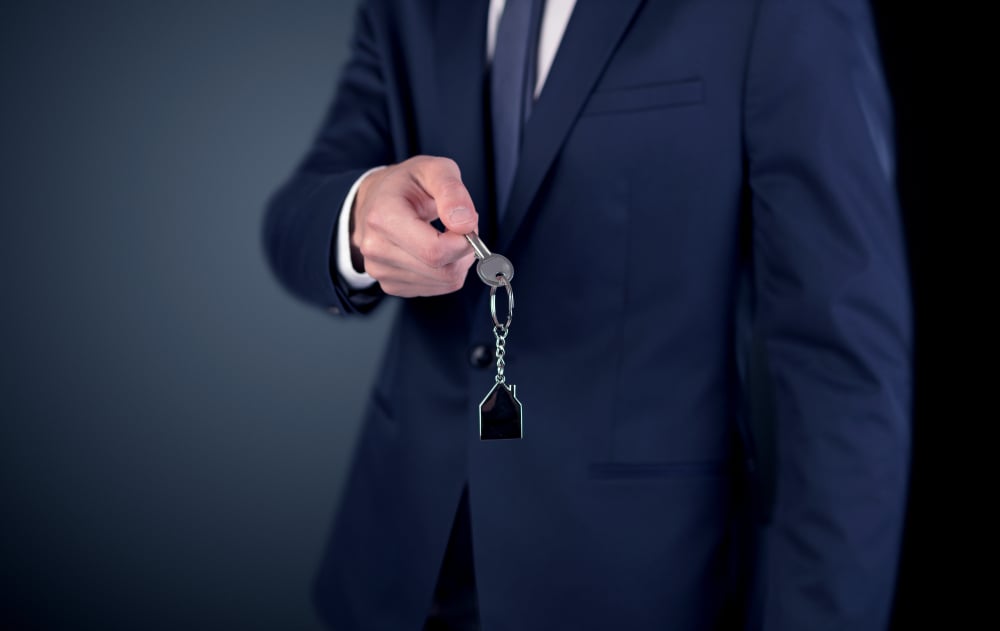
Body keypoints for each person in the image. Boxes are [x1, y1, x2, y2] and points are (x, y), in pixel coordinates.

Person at [263, 0, 912, 629]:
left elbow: (841, 361)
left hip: (634, 581)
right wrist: (356, 216)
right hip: (397, 569)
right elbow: (297, 211)